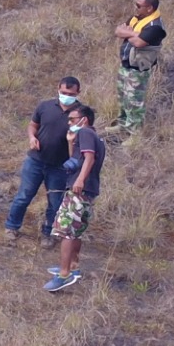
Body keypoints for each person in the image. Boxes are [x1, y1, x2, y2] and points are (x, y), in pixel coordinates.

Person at [4, 76, 81, 246]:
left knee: (55, 202)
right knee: (24, 196)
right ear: (57, 89)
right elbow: (33, 125)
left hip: (61, 166)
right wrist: (32, 138)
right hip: (36, 160)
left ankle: (49, 234)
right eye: (63, 92)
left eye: (70, 93)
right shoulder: (45, 106)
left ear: (78, 93)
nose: (66, 95)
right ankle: (11, 227)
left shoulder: (81, 114)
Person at [46, 103, 106, 292]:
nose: (69, 122)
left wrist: (79, 180)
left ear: (84, 120)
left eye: (72, 119)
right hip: (88, 190)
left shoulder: (86, 133)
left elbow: (89, 159)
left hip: (79, 189)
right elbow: (76, 161)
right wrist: (71, 142)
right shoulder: (95, 137)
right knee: (76, 229)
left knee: (66, 230)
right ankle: (73, 266)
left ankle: (64, 275)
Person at [110, 0, 163, 134]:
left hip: (138, 69)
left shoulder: (155, 26)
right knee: (123, 97)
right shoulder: (136, 18)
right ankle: (122, 124)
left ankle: (135, 134)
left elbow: (139, 43)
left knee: (134, 102)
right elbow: (117, 31)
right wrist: (133, 33)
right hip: (126, 65)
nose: (135, 8)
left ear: (149, 8)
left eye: (138, 5)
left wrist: (128, 34)